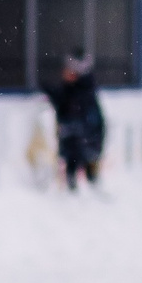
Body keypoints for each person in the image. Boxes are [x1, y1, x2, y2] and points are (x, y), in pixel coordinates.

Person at [42, 53, 105, 188]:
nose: (64, 72)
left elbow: (86, 125)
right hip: (79, 150)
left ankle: (82, 185)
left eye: (68, 69)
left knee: (82, 181)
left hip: (83, 149)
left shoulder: (83, 96)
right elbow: (61, 99)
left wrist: (67, 128)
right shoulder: (72, 90)